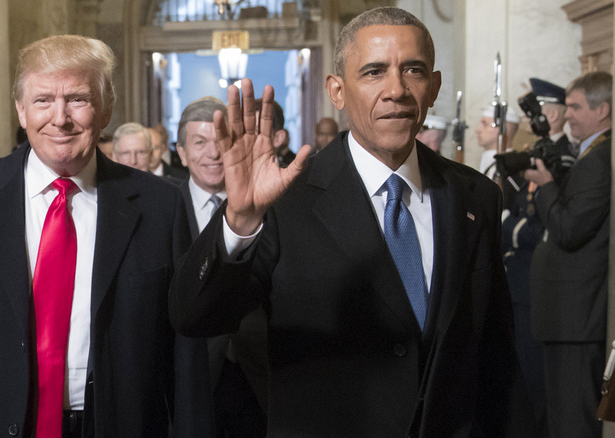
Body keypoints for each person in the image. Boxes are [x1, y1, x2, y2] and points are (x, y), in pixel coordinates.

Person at [170, 6, 534, 436]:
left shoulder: (474, 194)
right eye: (374, 72)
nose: (396, 90)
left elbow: (496, 356)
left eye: (413, 70)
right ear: (337, 91)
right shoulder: (285, 199)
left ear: (433, 87)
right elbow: (195, 317)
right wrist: (240, 221)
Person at [0, 35, 212, 438]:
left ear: (106, 108)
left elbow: (185, 354)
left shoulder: (160, 204)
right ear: (21, 110)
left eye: (77, 99)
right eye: (43, 100)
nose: (60, 118)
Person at [524, 71, 612, 438]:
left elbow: (569, 229)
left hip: (577, 316)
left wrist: (545, 187)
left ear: (602, 110)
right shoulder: (590, 153)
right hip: (567, 316)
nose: (568, 115)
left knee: (573, 422)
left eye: (575, 107)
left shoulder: (600, 158)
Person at [176, 96, 268, 437]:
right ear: (181, 152)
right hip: (188, 374)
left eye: (219, 141)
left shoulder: (267, 202)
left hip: (259, 371)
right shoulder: (162, 208)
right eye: (199, 143)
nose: (213, 154)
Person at [500, 77, 571, 433]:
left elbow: (541, 223)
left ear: (553, 115)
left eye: (535, 112)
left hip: (535, 281)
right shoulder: (541, 152)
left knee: (533, 381)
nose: (529, 120)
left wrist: (506, 225)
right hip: (518, 280)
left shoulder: (562, 159)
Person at [476, 106, 519, 179]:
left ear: (505, 129)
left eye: (485, 124)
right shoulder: (486, 157)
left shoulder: (513, 168)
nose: (477, 130)